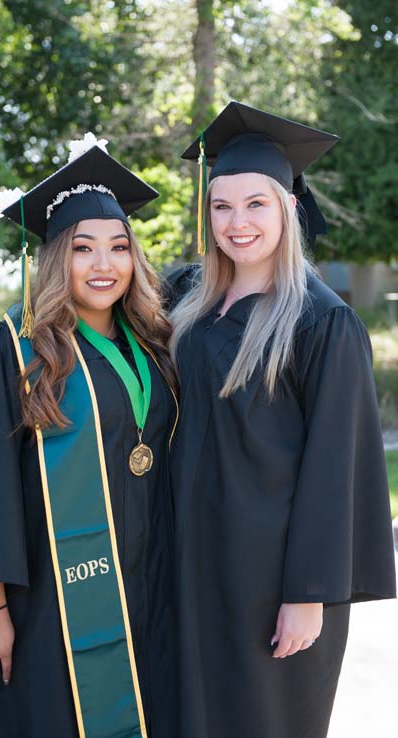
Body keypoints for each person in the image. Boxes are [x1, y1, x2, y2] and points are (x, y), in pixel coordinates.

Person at [0, 134, 178, 738]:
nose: (103, 265)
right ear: (56, 257)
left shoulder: (154, 347)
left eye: (118, 247)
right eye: (84, 249)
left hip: (146, 583)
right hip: (45, 603)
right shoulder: (12, 353)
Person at [169, 101, 396, 738]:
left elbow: (336, 469)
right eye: (221, 206)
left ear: (289, 208)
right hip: (192, 560)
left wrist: (310, 595)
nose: (236, 223)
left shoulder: (321, 321)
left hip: (271, 580)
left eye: (255, 204)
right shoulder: (188, 301)